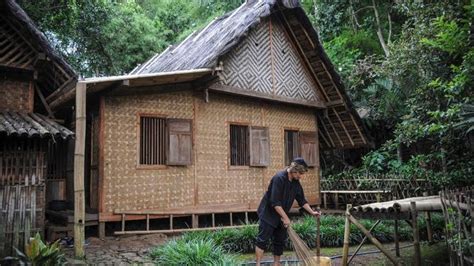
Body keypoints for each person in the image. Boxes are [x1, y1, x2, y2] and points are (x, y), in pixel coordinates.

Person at [255, 157, 321, 266]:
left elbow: (302, 200)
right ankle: (258, 264)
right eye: (300, 173)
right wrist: (286, 218)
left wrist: (312, 212)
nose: (301, 176)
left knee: (279, 240)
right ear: (294, 170)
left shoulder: (296, 183)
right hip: (269, 214)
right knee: (262, 240)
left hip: (282, 214)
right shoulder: (279, 178)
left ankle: (277, 263)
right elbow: (275, 202)